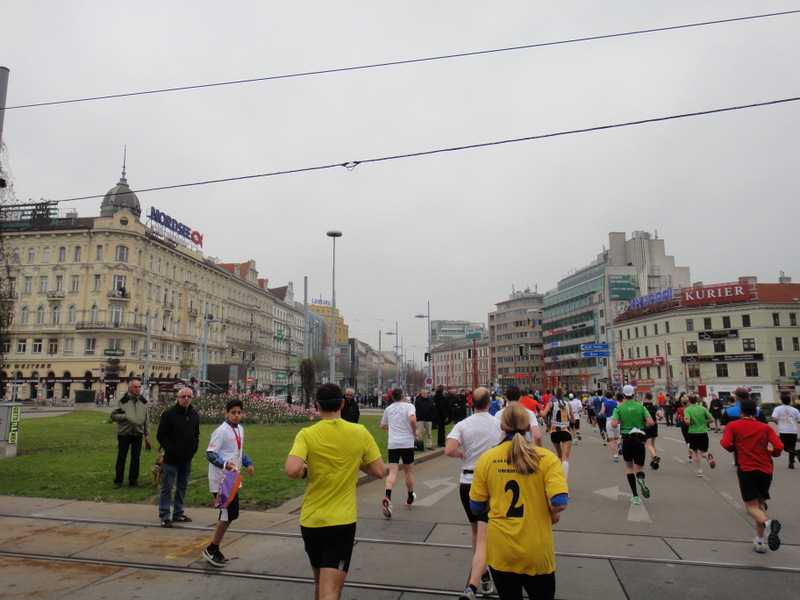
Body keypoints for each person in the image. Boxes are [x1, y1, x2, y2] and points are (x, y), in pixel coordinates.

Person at [285, 383, 385, 600]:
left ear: (317, 406)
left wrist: (305, 472)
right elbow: (379, 471)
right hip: (341, 521)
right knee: (331, 591)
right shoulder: (359, 432)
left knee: (320, 583)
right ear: (342, 403)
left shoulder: (306, 434)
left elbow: (292, 469)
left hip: (311, 520)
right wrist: (356, 460)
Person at [470, 404, 569, 600]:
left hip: (501, 550)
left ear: (501, 427)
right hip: (537, 550)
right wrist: (551, 510)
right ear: (527, 428)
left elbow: (476, 506)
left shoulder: (487, 459)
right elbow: (560, 501)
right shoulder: (546, 457)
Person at [445, 387, 497, 600]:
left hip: (467, 480)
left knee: (476, 530)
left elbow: (449, 450)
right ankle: (485, 574)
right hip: (492, 480)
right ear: (489, 403)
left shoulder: (462, 425)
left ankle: (482, 574)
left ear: (471, 404)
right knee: (491, 531)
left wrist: (462, 454)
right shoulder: (498, 423)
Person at [720, 396, 784, 553]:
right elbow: (778, 446)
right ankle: (760, 540)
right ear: (756, 411)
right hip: (765, 469)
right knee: (760, 504)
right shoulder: (765, 428)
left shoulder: (733, 425)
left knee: (751, 507)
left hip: (747, 468)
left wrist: (735, 447)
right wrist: (771, 453)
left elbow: (726, 443)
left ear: (740, 411)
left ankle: (768, 524)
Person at [203, 398, 255, 567]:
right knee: (227, 514)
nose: (236, 416)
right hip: (221, 479)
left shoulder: (240, 429)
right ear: (226, 413)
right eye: (233, 413)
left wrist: (247, 462)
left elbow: (237, 451)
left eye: (239, 412)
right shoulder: (221, 431)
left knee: (231, 514)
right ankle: (212, 548)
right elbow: (210, 453)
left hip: (233, 478)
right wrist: (225, 465)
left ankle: (214, 547)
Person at [156, 387, 200, 527]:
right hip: (172, 458)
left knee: (182, 485)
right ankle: (164, 515)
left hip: (186, 458)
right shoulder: (169, 414)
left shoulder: (193, 414)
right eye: (183, 396)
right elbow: (161, 435)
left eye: (189, 396)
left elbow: (196, 433)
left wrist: (194, 448)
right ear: (178, 398)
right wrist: (171, 449)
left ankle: (178, 513)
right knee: (167, 486)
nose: (186, 399)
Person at [611, 385, 654, 504]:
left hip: (626, 438)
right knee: (639, 467)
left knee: (629, 467)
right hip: (639, 438)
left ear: (623, 394)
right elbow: (651, 422)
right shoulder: (640, 407)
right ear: (634, 394)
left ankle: (635, 495)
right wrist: (643, 426)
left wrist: (621, 421)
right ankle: (641, 479)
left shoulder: (619, 407)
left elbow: (614, 424)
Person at [380, 388, 418, 516]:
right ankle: (409, 496)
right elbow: (412, 419)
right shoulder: (409, 406)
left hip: (393, 444)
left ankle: (388, 496)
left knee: (393, 472)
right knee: (408, 471)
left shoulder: (388, 409)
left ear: (392, 398)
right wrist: (414, 431)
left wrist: (394, 425)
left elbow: (383, 426)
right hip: (407, 443)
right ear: (403, 396)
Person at [110, 379, 151, 489]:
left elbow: (146, 419)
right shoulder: (123, 401)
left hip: (138, 433)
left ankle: (133, 480)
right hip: (124, 433)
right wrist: (124, 417)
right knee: (122, 457)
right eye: (135, 387)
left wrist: (147, 434)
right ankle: (118, 480)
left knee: (136, 457)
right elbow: (113, 415)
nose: (138, 389)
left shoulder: (142, 401)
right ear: (130, 388)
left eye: (139, 387)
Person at [540, 387, 575, 479]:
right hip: (565, 431)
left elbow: (543, 414)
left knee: (559, 455)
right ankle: (564, 479)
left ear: (554, 394)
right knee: (565, 458)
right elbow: (573, 420)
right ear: (563, 394)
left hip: (554, 432)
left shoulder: (550, 404)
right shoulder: (568, 404)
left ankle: (558, 475)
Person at [683, 394, 716, 477]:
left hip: (693, 432)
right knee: (703, 452)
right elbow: (712, 419)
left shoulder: (687, 410)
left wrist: (685, 419)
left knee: (694, 451)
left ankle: (700, 470)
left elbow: (688, 422)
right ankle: (708, 456)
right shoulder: (703, 408)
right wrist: (705, 422)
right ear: (697, 400)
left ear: (689, 401)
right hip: (703, 432)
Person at [771, 393, 800, 469]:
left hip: (784, 430)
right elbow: (799, 419)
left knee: (786, 447)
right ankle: (791, 463)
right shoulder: (794, 410)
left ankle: (796, 452)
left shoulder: (777, 409)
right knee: (792, 446)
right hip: (793, 430)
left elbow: (774, 418)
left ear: (782, 401)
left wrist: (777, 422)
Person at [641, 392, 663, 470]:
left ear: (645, 397)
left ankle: (654, 456)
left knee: (648, 444)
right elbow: (661, 415)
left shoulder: (642, 405)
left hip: (645, 425)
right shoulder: (655, 405)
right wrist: (659, 419)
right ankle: (653, 462)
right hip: (654, 425)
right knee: (653, 444)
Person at [598, 391, 619, 461]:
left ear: (606, 397)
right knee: (617, 438)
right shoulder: (616, 403)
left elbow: (602, 412)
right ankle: (619, 445)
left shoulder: (604, 403)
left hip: (609, 421)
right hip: (616, 421)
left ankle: (615, 456)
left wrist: (599, 414)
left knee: (611, 440)